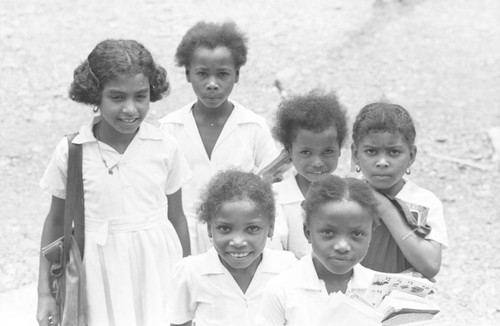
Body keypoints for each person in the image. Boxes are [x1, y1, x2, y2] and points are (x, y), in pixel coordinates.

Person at [36, 39, 191, 326]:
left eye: (140, 96)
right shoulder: (73, 151)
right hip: (96, 273)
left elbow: (177, 216)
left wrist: (189, 283)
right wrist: (45, 293)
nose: (130, 109)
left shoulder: (165, 146)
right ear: (95, 96)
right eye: (117, 97)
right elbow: (56, 223)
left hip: (156, 267)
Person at [159, 21, 278, 255]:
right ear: (187, 74)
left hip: (237, 236)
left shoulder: (253, 127)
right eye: (202, 74)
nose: (212, 84)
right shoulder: (169, 128)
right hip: (183, 234)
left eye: (223, 74)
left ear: (237, 75)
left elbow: (272, 185)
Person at [168, 170, 297, 326]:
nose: (237, 241)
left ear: (270, 228)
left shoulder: (287, 267)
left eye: (252, 229)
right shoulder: (190, 272)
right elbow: (179, 322)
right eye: (225, 228)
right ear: (209, 228)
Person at [257, 175, 380, 325]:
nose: (342, 246)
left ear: (371, 235)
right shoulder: (282, 289)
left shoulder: (381, 290)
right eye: (329, 233)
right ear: (308, 232)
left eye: (356, 234)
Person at [351, 102, 448, 279]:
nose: (382, 161)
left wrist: (384, 207)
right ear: (355, 154)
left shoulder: (424, 202)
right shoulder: (346, 197)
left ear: (411, 156)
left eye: (394, 152)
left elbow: (430, 265)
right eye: (371, 151)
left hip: (405, 301)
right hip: (351, 298)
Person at [271, 90, 349, 258]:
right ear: (289, 152)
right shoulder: (275, 197)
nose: (317, 162)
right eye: (306, 152)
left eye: (327, 151)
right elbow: (275, 254)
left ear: (339, 150)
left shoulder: (349, 196)